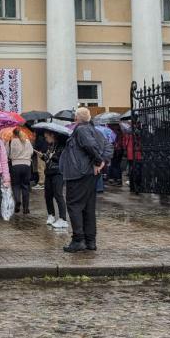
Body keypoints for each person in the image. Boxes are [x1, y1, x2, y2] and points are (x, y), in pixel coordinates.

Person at [60, 107, 111, 253]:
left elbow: (90, 145)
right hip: (87, 174)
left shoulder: (81, 129)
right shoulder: (94, 130)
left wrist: (98, 161)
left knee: (74, 206)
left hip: (78, 174)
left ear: (76, 118)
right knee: (88, 207)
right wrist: (102, 161)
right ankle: (90, 241)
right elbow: (108, 146)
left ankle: (78, 240)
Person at [36, 131, 69, 229]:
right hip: (49, 172)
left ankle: (63, 219)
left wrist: (52, 156)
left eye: (47, 137)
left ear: (52, 135)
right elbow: (47, 158)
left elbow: (61, 158)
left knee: (58, 195)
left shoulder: (62, 145)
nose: (46, 140)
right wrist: (43, 156)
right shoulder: (51, 145)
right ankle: (51, 215)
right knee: (48, 195)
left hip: (58, 173)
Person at [8, 128, 34, 215]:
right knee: (25, 186)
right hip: (26, 165)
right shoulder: (27, 141)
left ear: (13, 134)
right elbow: (31, 152)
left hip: (15, 165)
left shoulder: (11, 141)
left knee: (16, 185)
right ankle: (26, 208)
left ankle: (18, 201)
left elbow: (7, 154)